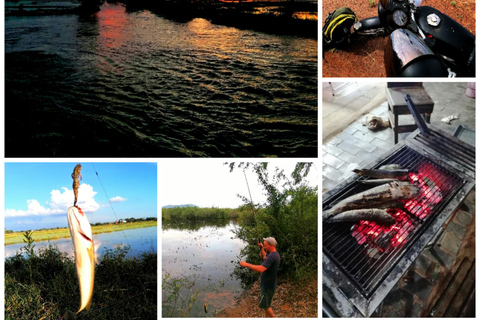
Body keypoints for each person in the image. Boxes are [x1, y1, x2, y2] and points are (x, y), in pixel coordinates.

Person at [240, 237, 280, 318]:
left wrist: (247, 264)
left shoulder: (272, 257)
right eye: (264, 245)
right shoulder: (273, 254)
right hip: (268, 284)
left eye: (265, 245)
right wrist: (261, 248)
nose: (264, 247)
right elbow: (264, 257)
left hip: (268, 285)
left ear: (271, 245)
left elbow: (261, 269)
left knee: (266, 305)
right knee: (266, 303)